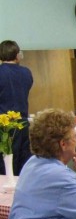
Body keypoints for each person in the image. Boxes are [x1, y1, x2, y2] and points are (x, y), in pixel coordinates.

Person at [0, 40, 33, 175]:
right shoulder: (26, 73)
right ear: (17, 54)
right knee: (23, 165)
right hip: (23, 124)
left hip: (4, 127)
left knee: (6, 166)